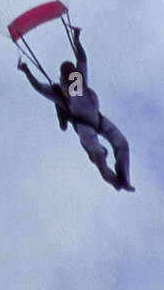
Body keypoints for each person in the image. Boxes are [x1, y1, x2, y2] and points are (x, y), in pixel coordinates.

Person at [17, 26, 135, 191]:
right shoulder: (59, 92)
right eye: (67, 72)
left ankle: (124, 179)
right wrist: (26, 71)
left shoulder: (79, 82)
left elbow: (82, 58)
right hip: (83, 125)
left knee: (122, 144)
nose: (71, 73)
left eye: (71, 70)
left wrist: (76, 39)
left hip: (99, 120)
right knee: (98, 154)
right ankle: (115, 181)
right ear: (62, 77)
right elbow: (38, 86)